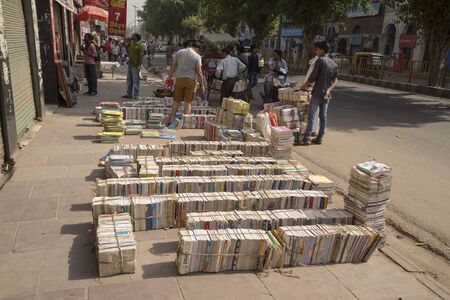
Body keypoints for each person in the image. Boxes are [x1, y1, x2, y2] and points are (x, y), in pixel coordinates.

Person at [300, 41, 338, 145]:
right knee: (323, 116)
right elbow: (335, 81)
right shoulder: (334, 64)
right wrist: (329, 90)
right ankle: (320, 138)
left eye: (317, 49)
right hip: (326, 95)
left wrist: (304, 86)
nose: (315, 52)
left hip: (317, 92)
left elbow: (313, 77)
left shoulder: (320, 61)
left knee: (311, 116)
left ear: (322, 50)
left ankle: (307, 138)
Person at [166, 40, 205, 126]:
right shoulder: (197, 56)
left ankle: (171, 119)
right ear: (197, 49)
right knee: (188, 102)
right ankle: (185, 122)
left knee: (176, 100)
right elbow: (199, 72)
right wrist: (202, 84)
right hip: (191, 80)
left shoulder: (179, 52)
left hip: (179, 79)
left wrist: (169, 77)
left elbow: (173, 65)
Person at [122, 33, 145, 99]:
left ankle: (136, 95)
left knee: (135, 81)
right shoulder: (131, 44)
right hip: (130, 64)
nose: (132, 36)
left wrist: (139, 66)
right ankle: (129, 94)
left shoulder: (140, 45)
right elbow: (127, 50)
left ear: (136, 37)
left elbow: (141, 56)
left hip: (136, 65)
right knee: (129, 80)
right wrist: (127, 43)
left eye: (133, 36)